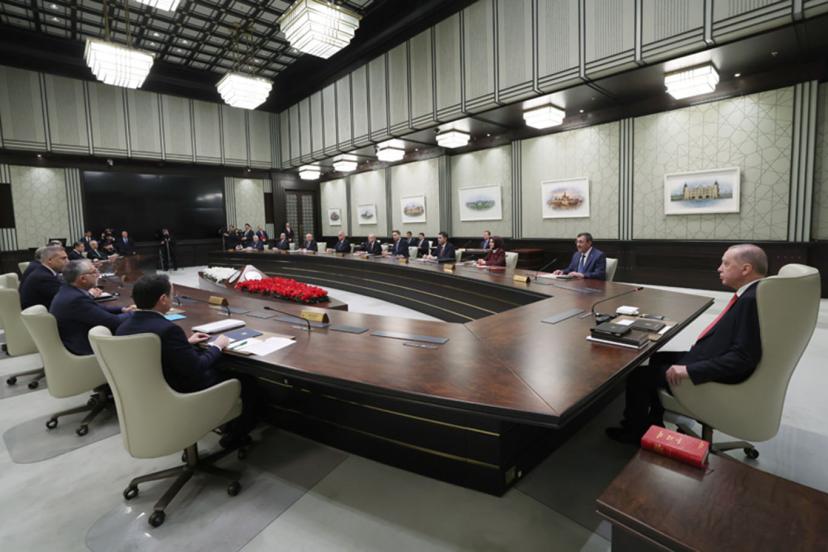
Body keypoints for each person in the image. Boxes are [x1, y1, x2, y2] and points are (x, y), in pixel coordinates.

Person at [606, 244, 768, 444]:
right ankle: (654, 421)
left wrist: (689, 370)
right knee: (655, 357)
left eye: (726, 264)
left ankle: (634, 433)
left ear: (746, 269)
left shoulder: (750, 300)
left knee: (637, 376)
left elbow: (743, 358)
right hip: (709, 355)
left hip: (715, 371)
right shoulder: (756, 293)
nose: (719, 268)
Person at [116, 274, 262, 448]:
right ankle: (235, 435)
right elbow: (196, 367)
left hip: (148, 391)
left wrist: (185, 344)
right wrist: (217, 346)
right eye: (172, 295)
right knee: (248, 381)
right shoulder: (168, 330)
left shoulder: (123, 327)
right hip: (180, 390)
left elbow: (152, 351)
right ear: (163, 299)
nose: (173, 298)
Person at [49, 260, 134, 356]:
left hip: (75, 339)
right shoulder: (76, 299)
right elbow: (114, 322)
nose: (98, 274)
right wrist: (136, 313)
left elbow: (96, 307)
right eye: (94, 272)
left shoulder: (69, 291)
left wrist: (123, 309)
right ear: (83, 279)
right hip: (82, 349)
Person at [19, 244, 68, 309]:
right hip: (40, 314)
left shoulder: (44, 271)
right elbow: (65, 297)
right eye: (63, 258)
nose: (68, 261)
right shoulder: (44, 277)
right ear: (50, 260)